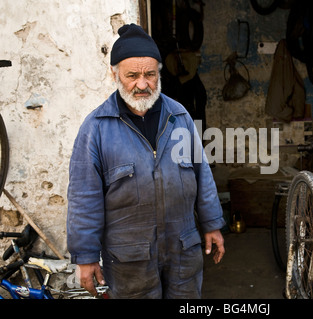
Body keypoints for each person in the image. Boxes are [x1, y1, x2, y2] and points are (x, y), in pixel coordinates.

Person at [67, 23, 225, 299]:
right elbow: (84, 197)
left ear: (159, 74)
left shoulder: (180, 117)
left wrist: (212, 224)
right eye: (133, 75)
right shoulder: (96, 128)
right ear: (114, 75)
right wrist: (86, 256)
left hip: (182, 249)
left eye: (150, 74)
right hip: (130, 260)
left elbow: (203, 176)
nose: (142, 84)